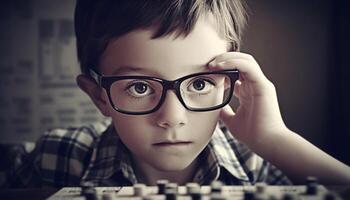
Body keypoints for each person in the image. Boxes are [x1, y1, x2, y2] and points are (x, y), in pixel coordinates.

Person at [4, 0, 350, 188]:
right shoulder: (61, 157)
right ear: (99, 97)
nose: (172, 117)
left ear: (229, 85)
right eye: (139, 87)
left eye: (200, 83)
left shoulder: (255, 163)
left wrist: (275, 139)